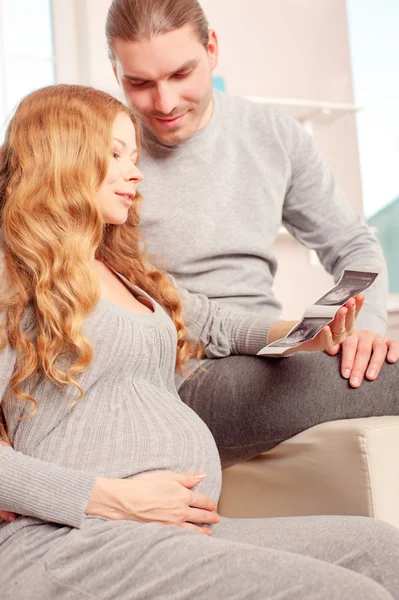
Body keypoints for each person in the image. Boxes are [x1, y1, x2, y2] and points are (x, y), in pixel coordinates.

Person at [1, 84, 399, 600]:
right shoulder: (15, 278)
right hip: (77, 537)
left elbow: (221, 325)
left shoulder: (125, 272)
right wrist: (115, 499)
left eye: (134, 155)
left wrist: (306, 336)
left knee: (380, 551)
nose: (136, 172)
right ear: (66, 156)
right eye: (116, 153)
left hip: (179, 530)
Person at [105, 0, 399, 466]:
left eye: (182, 74)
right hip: (180, 375)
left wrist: (361, 330)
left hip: (270, 346)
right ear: (115, 71)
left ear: (213, 49)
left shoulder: (273, 134)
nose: (164, 103)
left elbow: (353, 246)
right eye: (140, 83)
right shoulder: (108, 154)